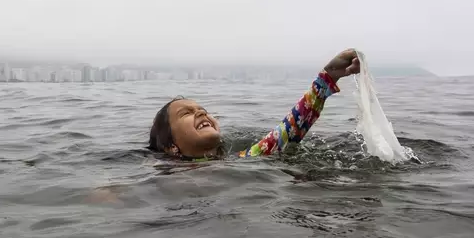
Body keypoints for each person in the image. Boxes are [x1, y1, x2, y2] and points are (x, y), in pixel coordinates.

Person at [148, 49, 361, 161]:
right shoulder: (160, 179)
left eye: (202, 109)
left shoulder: (243, 159)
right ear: (171, 146)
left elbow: (288, 130)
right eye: (186, 113)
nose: (201, 112)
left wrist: (327, 78)